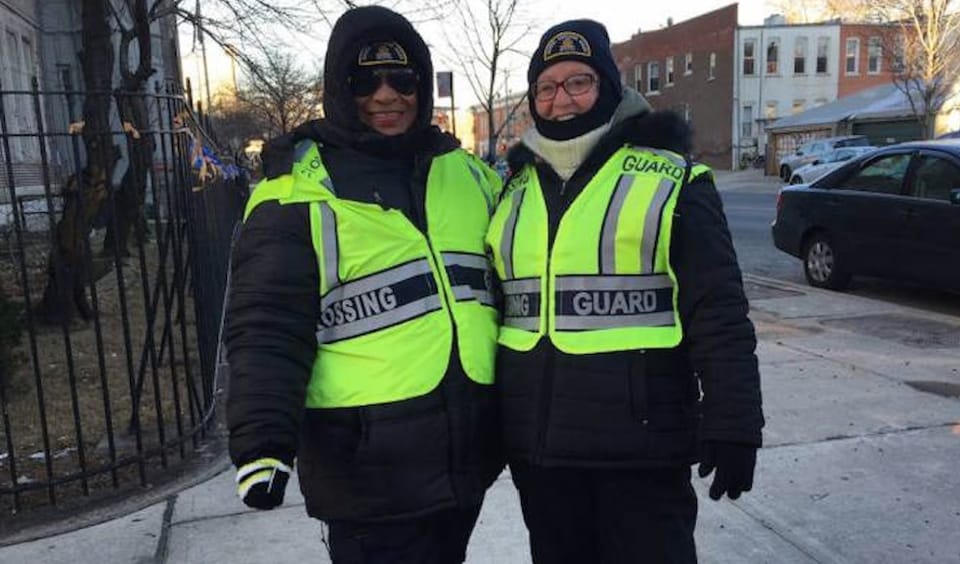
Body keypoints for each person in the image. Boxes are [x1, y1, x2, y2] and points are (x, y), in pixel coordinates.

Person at [224, 6, 503, 563]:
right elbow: (267, 326)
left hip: (464, 465)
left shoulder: (468, 173)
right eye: (364, 80)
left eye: (402, 79)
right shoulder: (294, 192)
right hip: (366, 479)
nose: (386, 95)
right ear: (337, 87)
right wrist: (263, 444)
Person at [485, 20, 764, 563]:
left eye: (578, 82)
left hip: (640, 453)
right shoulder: (512, 189)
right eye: (546, 87)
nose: (560, 100)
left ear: (608, 88)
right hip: (541, 457)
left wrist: (734, 422)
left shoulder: (672, 179)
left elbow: (720, 313)